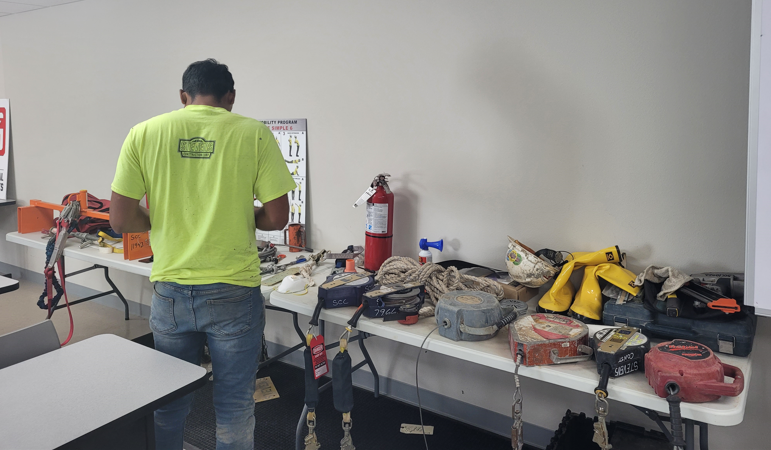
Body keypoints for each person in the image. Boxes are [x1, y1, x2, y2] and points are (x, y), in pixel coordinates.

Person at [109, 58, 294, 450]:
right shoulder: (254, 133)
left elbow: (121, 221)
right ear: (231, 97)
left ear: (183, 95)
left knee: (168, 403)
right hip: (234, 291)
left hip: (171, 291)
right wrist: (241, 213)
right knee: (234, 406)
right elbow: (278, 218)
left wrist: (159, 217)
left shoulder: (144, 133)